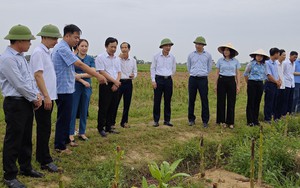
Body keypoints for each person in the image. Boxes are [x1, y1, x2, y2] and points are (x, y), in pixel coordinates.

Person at [0, 24, 44, 188]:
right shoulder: (7, 59)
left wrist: (36, 94)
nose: (30, 44)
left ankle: (26, 167)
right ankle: (10, 175)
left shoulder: (20, 57)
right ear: (19, 41)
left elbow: (29, 80)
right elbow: (18, 84)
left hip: (26, 101)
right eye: (28, 41)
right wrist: (34, 97)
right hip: (15, 103)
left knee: (26, 136)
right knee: (14, 138)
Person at [52, 24, 107, 154]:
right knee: (63, 118)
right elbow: (79, 64)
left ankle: (65, 140)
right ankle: (60, 146)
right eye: (76, 38)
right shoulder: (63, 48)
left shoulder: (65, 48)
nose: (77, 40)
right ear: (67, 36)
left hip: (67, 87)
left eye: (79, 38)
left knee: (66, 117)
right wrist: (98, 75)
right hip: (63, 88)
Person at [30, 24, 62, 173]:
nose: (56, 41)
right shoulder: (38, 53)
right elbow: (38, 75)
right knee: (44, 128)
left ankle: (42, 155)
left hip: (48, 96)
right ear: (44, 37)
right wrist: (46, 96)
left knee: (46, 128)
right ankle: (45, 160)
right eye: (54, 38)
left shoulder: (46, 52)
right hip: (44, 98)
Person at [69, 39, 94, 142]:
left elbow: (92, 72)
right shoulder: (73, 58)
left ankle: (82, 132)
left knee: (84, 109)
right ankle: (70, 133)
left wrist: (80, 75)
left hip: (87, 87)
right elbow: (71, 73)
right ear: (78, 47)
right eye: (82, 46)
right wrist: (82, 80)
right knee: (73, 110)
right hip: (75, 87)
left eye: (86, 46)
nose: (84, 48)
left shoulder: (91, 59)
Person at [95, 37, 121, 137]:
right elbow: (102, 72)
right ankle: (101, 128)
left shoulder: (117, 59)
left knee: (113, 107)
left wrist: (116, 83)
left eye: (115, 47)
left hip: (116, 85)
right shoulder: (100, 57)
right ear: (106, 46)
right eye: (111, 47)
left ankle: (109, 127)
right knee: (103, 107)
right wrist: (115, 82)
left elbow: (119, 72)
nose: (114, 49)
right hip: (105, 85)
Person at [187, 36, 213, 128]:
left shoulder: (208, 55)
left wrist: (204, 73)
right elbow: (189, 67)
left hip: (203, 79)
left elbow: (209, 68)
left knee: (204, 99)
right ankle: (191, 119)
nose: (198, 46)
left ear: (203, 45)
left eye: (200, 44)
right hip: (193, 78)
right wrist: (194, 73)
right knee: (191, 99)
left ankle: (205, 120)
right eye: (197, 44)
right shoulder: (191, 55)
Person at [150, 38, 176, 127]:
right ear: (162, 46)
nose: (168, 47)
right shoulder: (156, 56)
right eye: (166, 46)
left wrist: (168, 76)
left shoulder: (172, 57)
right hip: (158, 79)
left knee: (167, 101)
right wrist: (153, 80)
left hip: (168, 80)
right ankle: (156, 120)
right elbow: (152, 68)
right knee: (157, 100)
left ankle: (167, 120)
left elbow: (174, 69)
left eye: (169, 46)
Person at [215, 43, 241, 129]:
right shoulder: (220, 61)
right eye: (225, 50)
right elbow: (217, 73)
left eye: (228, 50)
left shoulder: (235, 61)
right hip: (222, 80)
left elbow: (237, 73)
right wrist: (215, 84)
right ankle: (221, 121)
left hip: (231, 81)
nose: (226, 51)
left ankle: (230, 122)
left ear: (231, 51)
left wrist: (238, 85)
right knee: (221, 101)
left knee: (231, 102)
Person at [114, 42, 137, 128]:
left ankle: (124, 122)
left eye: (125, 47)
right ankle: (112, 122)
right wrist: (118, 58)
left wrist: (133, 76)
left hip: (128, 83)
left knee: (127, 103)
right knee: (115, 103)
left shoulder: (133, 60)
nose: (124, 49)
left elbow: (135, 71)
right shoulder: (116, 59)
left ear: (129, 49)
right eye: (122, 48)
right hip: (119, 82)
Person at [244, 49, 269, 126]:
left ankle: (255, 120)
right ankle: (250, 121)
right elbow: (245, 74)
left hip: (260, 83)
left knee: (257, 102)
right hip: (252, 83)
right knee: (251, 102)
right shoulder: (251, 64)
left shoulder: (264, 65)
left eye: (261, 56)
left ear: (263, 57)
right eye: (258, 55)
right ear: (255, 56)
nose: (259, 57)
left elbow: (265, 75)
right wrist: (248, 83)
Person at [264, 48, 281, 123]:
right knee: (269, 102)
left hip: (276, 84)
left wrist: (279, 81)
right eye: (278, 54)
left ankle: (273, 117)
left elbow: (277, 74)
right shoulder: (267, 63)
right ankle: (267, 118)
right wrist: (276, 82)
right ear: (276, 53)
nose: (279, 55)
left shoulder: (275, 63)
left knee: (275, 101)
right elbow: (269, 75)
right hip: (270, 84)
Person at [282, 51, 298, 115]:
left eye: (296, 57)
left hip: (292, 84)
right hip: (286, 84)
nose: (295, 59)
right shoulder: (285, 63)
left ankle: (289, 113)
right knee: (285, 100)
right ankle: (284, 113)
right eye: (294, 57)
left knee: (290, 100)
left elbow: (292, 73)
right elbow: (281, 72)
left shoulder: (294, 64)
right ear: (290, 56)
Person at [274, 49, 286, 120]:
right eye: (283, 55)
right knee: (276, 102)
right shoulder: (275, 64)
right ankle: (275, 117)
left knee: (281, 102)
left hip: (283, 85)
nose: (285, 57)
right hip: (277, 85)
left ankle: (279, 116)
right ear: (279, 55)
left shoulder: (283, 64)